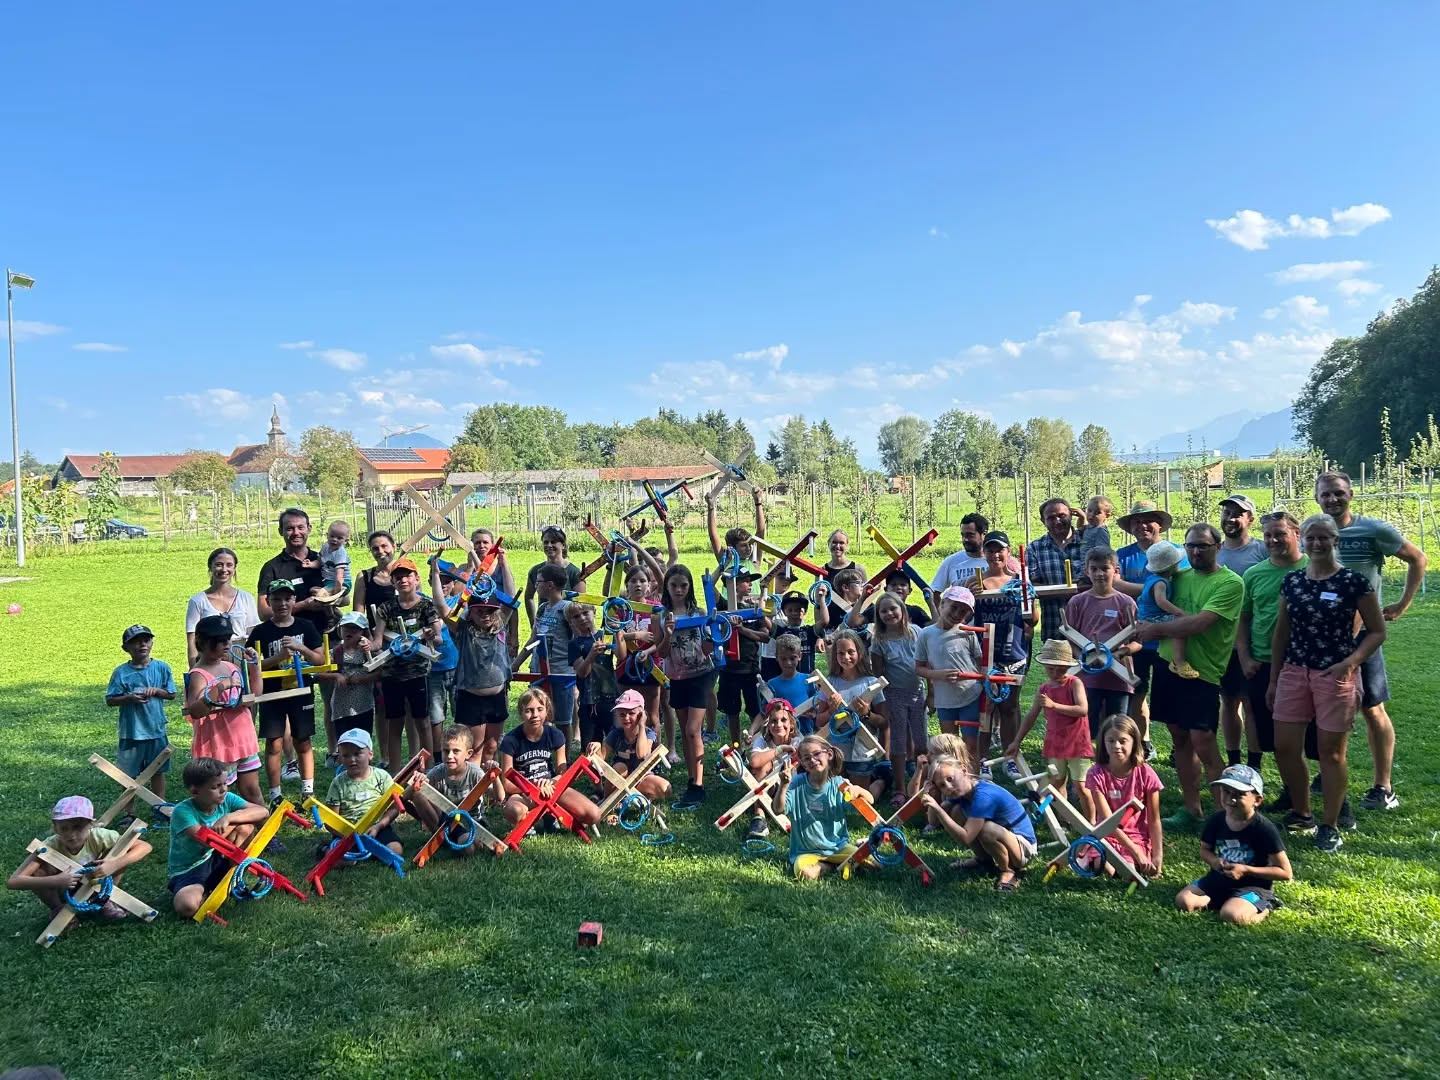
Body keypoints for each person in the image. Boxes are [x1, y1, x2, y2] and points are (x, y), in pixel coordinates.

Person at [1267, 514, 1386, 853]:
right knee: (1285, 747)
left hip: (1335, 675)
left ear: (1335, 541)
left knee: (1330, 753)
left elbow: (1377, 631)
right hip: (1294, 671)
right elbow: (1281, 633)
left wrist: (1350, 663)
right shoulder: (1292, 582)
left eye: (1324, 538)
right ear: (1302, 540)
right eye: (1311, 538)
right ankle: (1302, 813)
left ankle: (1330, 824)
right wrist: (1275, 678)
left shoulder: (1353, 582)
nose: (1317, 544)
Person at [1316, 470, 1427, 811]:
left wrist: (1401, 605)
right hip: (1322, 635)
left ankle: (1383, 787)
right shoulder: (1316, 532)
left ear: (1351, 494)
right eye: (1326, 495)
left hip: (1363, 635)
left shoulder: (1373, 529)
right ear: (1317, 499)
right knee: (1328, 709)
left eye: (1338, 493)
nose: (1333, 500)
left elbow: (1417, 558)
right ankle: (1330, 772)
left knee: (1372, 708)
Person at [1133, 523, 1244, 830]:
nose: (1196, 551)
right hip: (1169, 666)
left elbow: (1199, 624)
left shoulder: (1230, 583)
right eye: (1191, 545)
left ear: (1218, 547)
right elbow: (1148, 592)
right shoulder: (1177, 577)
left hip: (1202, 671)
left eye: (1203, 546)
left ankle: (1224, 813)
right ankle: (1191, 807)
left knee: (1203, 741)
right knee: (1179, 737)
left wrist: (1155, 630)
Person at [1235, 512, 1306, 780]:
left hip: (1302, 662)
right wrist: (1245, 656)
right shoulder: (1254, 574)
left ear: (1296, 534)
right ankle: (1287, 788)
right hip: (1262, 660)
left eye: (1280, 534)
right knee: (1271, 732)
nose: (1273, 540)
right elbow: (1243, 618)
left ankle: (1318, 787)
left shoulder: (1311, 569)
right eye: (1268, 535)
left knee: (1306, 733)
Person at [1175, 765, 1291, 925]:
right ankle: (1219, 900)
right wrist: (1215, 861)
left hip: (1252, 886)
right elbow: (1205, 850)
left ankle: (1266, 907)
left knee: (1231, 916)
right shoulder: (1216, 820)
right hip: (1217, 879)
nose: (1231, 799)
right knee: (1184, 901)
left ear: (1257, 800)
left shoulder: (1264, 829)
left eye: (1239, 794)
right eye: (1226, 792)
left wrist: (1246, 870)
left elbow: (1285, 872)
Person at [7, 795, 153, 922]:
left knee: (119, 851)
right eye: (64, 828)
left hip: (96, 879)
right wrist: (56, 880)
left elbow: (145, 847)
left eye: (78, 827)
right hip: (63, 888)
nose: (71, 835)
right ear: (55, 827)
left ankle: (105, 899)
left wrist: (114, 865)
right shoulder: (48, 846)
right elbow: (14, 881)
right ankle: (58, 909)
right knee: (37, 870)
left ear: (90, 824)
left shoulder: (99, 836)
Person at [1113, 500, 1183, 761]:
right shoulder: (1122, 554)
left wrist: (1141, 590)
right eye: (1136, 521)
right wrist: (1153, 589)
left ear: (1160, 525)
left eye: (1148, 520)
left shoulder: (1177, 552)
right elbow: (1114, 583)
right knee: (1136, 692)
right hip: (1136, 635)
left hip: (1169, 635)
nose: (1142, 525)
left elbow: (1184, 586)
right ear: (1130, 526)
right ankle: (1141, 745)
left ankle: (1180, 746)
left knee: (1175, 694)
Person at [247, 579, 323, 806]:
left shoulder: (305, 626)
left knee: (303, 740)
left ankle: (307, 790)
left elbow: (320, 658)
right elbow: (253, 665)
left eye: (287, 598)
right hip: (272, 695)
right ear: (268, 601)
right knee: (274, 743)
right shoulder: (261, 631)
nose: (282, 603)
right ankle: (275, 795)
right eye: (276, 599)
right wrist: (278, 658)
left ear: (294, 600)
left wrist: (301, 648)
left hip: (300, 692)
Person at [166, 758, 269, 918]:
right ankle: (211, 891)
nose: (223, 790)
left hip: (219, 858)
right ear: (195, 791)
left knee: (246, 827)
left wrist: (228, 817)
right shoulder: (182, 812)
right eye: (215, 787)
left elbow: (262, 812)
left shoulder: (226, 799)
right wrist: (233, 822)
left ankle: (232, 877)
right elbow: (206, 840)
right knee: (187, 906)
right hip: (190, 868)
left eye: (225, 784)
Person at [921, 754, 1037, 892]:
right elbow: (932, 821)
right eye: (941, 785)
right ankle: (984, 860)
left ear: (963, 771)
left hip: (1024, 848)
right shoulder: (964, 792)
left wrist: (938, 809)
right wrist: (932, 795)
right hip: (1009, 840)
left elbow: (965, 838)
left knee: (987, 829)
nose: (948, 787)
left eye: (950, 779)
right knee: (957, 811)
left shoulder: (983, 796)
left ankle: (1009, 870)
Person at [652, 565, 717, 808]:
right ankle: (692, 779)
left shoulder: (699, 612)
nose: (679, 590)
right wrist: (668, 634)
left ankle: (698, 786)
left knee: (692, 730)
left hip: (701, 674)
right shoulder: (660, 616)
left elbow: (709, 647)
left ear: (689, 587)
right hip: (676, 677)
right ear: (667, 587)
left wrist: (717, 630)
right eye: (674, 585)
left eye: (683, 585)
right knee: (685, 731)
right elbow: (661, 651)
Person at [1008, 639, 1095, 821]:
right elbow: (1031, 716)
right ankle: (1065, 820)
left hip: (1077, 742)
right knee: (1056, 782)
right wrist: (1017, 741)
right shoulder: (1044, 689)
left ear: (1067, 667)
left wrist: (1054, 705)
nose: (1056, 673)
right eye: (1051, 668)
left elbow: (1083, 709)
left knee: (1081, 786)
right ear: (1045, 666)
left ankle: (1092, 823)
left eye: (1060, 669)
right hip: (1055, 743)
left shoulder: (1074, 683)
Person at [370, 557, 445, 766]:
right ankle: (395, 773)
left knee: (422, 722)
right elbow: (378, 641)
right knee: (395, 724)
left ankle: (427, 768)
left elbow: (438, 639)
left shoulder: (426, 607)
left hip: (419, 673)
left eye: (407, 576)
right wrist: (368, 646)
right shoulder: (386, 608)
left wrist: (431, 635)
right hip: (392, 674)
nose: (403, 580)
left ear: (416, 579)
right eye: (398, 577)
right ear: (393, 582)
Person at [185, 615, 264, 806]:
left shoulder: (231, 666)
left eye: (228, 639)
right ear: (202, 643)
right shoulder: (198, 675)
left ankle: (266, 832)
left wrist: (255, 667)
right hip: (218, 744)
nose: (226, 644)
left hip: (242, 739)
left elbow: (253, 696)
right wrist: (221, 687)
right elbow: (195, 711)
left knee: (252, 790)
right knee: (220, 797)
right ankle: (230, 832)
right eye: (219, 640)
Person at [972, 531, 1034, 771]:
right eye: (990, 550)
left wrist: (1028, 597)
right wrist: (971, 595)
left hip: (1013, 653)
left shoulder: (1020, 582)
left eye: (1000, 550)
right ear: (984, 553)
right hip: (984, 654)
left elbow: (1033, 620)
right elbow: (963, 613)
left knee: (1009, 707)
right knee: (985, 708)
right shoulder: (976, 582)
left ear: (1008, 553)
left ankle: (1010, 757)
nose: (995, 554)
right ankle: (983, 759)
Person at [498, 688, 600, 832]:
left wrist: (550, 783)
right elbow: (507, 784)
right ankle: (532, 820)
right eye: (529, 710)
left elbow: (562, 772)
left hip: (552, 789)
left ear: (547, 711)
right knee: (514, 811)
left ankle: (550, 814)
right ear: (521, 713)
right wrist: (535, 786)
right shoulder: (510, 740)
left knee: (594, 815)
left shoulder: (555, 735)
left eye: (540, 709)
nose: (535, 715)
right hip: (524, 793)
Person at [1215, 494, 1268, 769]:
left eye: (1238, 513)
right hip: (1222, 643)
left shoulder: (1261, 551)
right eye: (1227, 513)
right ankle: (1234, 760)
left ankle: (1254, 763)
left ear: (1250, 519)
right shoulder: (1217, 551)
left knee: (1251, 704)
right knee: (1228, 701)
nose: (1230, 518)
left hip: (1252, 641)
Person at [1063, 547, 1138, 736]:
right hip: (1087, 677)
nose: (1099, 574)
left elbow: (1137, 641)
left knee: (1119, 729)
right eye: (1094, 569)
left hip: (1119, 678)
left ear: (1115, 570)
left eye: (1105, 568)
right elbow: (1070, 638)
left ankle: (1114, 764)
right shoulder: (1077, 602)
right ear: (1087, 571)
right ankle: (1090, 764)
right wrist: (1084, 658)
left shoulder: (1126, 602)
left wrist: (1119, 653)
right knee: (1087, 728)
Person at [1085, 713, 1164, 877]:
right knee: (1104, 864)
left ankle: (1126, 865)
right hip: (1107, 835)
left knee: (1127, 867)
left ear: (1134, 741)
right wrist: (1136, 852)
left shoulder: (1146, 773)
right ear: (1103, 743)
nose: (1116, 746)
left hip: (1136, 836)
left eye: (1123, 740)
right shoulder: (1096, 774)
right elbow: (1108, 823)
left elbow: (1154, 819)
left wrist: (1157, 857)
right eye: (1111, 741)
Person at [105, 624, 177, 803]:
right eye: (136, 642)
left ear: (152, 642)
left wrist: (157, 691)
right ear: (126, 648)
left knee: (157, 770)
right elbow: (110, 699)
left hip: (156, 730)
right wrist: (129, 698)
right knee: (127, 776)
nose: (142, 645)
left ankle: (160, 806)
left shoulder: (162, 668)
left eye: (146, 640)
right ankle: (128, 811)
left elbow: (171, 694)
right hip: (131, 732)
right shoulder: (121, 672)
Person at [779, 734, 867, 880]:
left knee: (873, 863)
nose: (812, 760)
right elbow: (778, 809)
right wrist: (783, 786)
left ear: (829, 754)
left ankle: (843, 859)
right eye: (807, 758)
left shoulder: (839, 784)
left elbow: (869, 801)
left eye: (816, 754)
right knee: (805, 873)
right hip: (805, 852)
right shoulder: (797, 783)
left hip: (837, 848)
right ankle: (830, 866)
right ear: (802, 763)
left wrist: (858, 790)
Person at [817, 629, 889, 800]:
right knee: (834, 797)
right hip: (835, 749)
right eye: (840, 653)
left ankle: (880, 783)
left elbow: (884, 722)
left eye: (850, 652)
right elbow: (819, 721)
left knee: (859, 802)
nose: (846, 657)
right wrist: (830, 711)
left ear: (860, 652)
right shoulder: (830, 683)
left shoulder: (871, 683)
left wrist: (866, 714)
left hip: (861, 748)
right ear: (835, 656)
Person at [914, 586, 983, 759]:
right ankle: (954, 780)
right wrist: (938, 675)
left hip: (971, 696)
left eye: (964, 611)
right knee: (950, 746)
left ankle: (971, 779)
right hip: (945, 700)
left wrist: (986, 687)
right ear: (942, 603)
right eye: (954, 607)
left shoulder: (968, 633)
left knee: (971, 746)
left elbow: (980, 662)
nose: (958, 613)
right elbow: (918, 667)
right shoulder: (926, 634)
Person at [869, 593, 926, 806]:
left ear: (902, 609)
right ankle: (900, 788)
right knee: (899, 743)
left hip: (918, 694)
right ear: (878, 616)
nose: (889, 614)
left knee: (921, 741)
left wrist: (931, 695)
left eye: (893, 608)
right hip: (894, 696)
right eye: (883, 611)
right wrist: (882, 703)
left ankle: (921, 783)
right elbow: (878, 675)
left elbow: (927, 665)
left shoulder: (917, 633)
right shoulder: (879, 641)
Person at [445, 594, 511, 764]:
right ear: (470, 613)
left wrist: (503, 565)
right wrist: (436, 571)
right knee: (474, 751)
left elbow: (510, 598)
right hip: (471, 699)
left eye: (489, 611)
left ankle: (489, 787)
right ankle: (475, 789)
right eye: (479, 611)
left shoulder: (499, 626)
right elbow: (443, 608)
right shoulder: (463, 630)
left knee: (492, 747)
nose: (485, 615)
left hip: (496, 698)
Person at [407, 725, 491, 853]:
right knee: (419, 794)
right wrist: (419, 781)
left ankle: (447, 840)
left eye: (456, 751)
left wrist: (493, 778)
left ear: (468, 754)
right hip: (447, 821)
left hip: (473, 823)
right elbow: (405, 796)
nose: (450, 756)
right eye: (446, 751)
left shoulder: (475, 772)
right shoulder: (437, 772)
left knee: (468, 849)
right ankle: (440, 838)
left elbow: (500, 796)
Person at [714, 565, 770, 745]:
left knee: (756, 710)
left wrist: (742, 629)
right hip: (729, 669)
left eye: (749, 581)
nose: (748, 584)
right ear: (732, 584)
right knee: (732, 712)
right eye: (744, 581)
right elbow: (710, 588)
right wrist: (722, 566)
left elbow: (765, 636)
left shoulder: (753, 609)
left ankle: (756, 743)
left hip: (750, 668)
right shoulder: (724, 605)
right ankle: (735, 746)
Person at [325, 728, 404, 856]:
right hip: (347, 833)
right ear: (340, 757)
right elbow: (331, 820)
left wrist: (379, 826)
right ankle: (325, 849)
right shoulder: (337, 783)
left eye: (357, 754)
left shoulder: (382, 777)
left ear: (370, 754)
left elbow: (394, 808)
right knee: (341, 859)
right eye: (346, 755)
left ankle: (369, 851)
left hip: (377, 828)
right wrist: (348, 835)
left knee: (395, 850)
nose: (352, 759)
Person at [314, 611, 382, 757]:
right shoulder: (335, 652)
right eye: (346, 628)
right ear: (340, 630)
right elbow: (317, 674)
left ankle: (364, 766)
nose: (350, 631)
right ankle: (343, 767)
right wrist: (336, 675)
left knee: (363, 741)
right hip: (341, 708)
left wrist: (362, 679)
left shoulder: (367, 652)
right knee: (344, 742)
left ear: (363, 632)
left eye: (355, 629)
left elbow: (381, 672)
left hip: (364, 706)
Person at [591, 689, 672, 808]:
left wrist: (641, 725)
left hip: (641, 777)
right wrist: (597, 747)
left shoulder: (648, 734)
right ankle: (609, 800)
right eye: (622, 714)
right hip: (619, 778)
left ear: (641, 714)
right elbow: (601, 758)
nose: (626, 718)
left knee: (666, 789)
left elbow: (642, 754)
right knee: (620, 767)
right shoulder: (616, 734)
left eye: (631, 713)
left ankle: (627, 797)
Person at [256, 507, 333, 630]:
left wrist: (328, 597)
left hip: (327, 636)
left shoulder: (324, 560)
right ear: (280, 531)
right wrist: (302, 605)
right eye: (290, 528)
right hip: (289, 639)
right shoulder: (271, 568)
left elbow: (345, 599)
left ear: (309, 529)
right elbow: (264, 614)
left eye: (300, 527)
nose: (296, 532)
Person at [527, 564, 578, 745]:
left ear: (549, 585)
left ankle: (564, 758)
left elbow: (578, 638)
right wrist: (516, 663)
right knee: (540, 717)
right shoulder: (542, 608)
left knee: (563, 721)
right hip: (539, 672)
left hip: (561, 672)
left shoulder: (566, 609)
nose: (536, 585)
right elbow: (533, 639)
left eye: (538, 582)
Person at [184, 547, 261, 666]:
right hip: (209, 657)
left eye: (229, 565)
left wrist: (253, 662)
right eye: (219, 565)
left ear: (234, 568)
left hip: (240, 656)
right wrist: (193, 667)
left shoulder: (246, 598)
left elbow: (253, 633)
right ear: (210, 567)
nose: (224, 569)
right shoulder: (197, 601)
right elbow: (192, 638)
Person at [1026, 498, 1088, 641]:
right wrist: (1069, 591)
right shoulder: (1035, 548)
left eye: (1062, 515)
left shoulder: (1087, 542)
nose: (1057, 521)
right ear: (1043, 521)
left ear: (1071, 515)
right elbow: (1032, 587)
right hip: (1054, 625)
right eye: (1051, 518)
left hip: (1088, 625)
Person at [1139, 542, 1198, 679]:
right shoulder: (1160, 583)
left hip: (1147, 615)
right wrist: (1178, 612)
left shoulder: (1153, 578)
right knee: (1179, 626)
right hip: (1153, 617)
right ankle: (1179, 661)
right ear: (1171, 566)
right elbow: (1161, 601)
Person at [568, 602, 621, 749]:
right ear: (571, 621)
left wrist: (617, 631)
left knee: (615, 742)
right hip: (587, 702)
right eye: (576, 616)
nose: (582, 618)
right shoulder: (574, 644)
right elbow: (582, 672)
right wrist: (591, 655)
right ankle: (592, 771)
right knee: (589, 746)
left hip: (610, 699)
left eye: (585, 613)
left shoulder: (605, 635)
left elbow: (621, 655)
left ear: (594, 612)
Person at [744, 699, 798, 838]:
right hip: (768, 788)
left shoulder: (798, 741)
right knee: (763, 765)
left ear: (791, 723)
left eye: (783, 720)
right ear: (767, 724)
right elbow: (754, 762)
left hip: (791, 790)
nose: (778, 724)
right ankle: (759, 816)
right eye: (773, 721)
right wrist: (781, 749)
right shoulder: (762, 741)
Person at [523, 525, 581, 629]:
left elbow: (581, 603)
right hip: (544, 626)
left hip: (568, 628)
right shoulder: (535, 571)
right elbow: (528, 597)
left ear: (563, 545)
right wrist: (533, 623)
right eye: (546, 542)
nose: (549, 545)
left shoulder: (574, 572)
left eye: (553, 542)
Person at [762, 590, 825, 679]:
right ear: (784, 612)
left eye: (798, 609)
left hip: (807, 679)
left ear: (805, 611)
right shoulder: (781, 632)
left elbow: (824, 621)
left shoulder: (809, 631)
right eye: (790, 610)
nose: (794, 613)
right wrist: (763, 593)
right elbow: (763, 618)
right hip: (787, 679)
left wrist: (822, 599)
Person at [930, 513, 992, 591]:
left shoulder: (995, 561)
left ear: (984, 534)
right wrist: (943, 604)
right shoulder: (951, 562)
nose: (965, 539)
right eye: (963, 535)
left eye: (970, 535)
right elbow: (935, 591)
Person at [764, 634, 816, 724]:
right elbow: (764, 713)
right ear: (776, 657)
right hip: (782, 734)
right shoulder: (772, 684)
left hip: (806, 733)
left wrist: (814, 713)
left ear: (800, 656)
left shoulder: (809, 680)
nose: (788, 663)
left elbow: (818, 705)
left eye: (792, 658)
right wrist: (752, 731)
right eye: (783, 659)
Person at [351, 530, 399, 613]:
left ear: (394, 547)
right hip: (375, 626)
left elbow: (417, 604)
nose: (380, 551)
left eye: (384, 546)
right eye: (375, 548)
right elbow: (358, 614)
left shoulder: (407, 573)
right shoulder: (364, 577)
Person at [316, 519, 352, 602]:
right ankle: (332, 613)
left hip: (342, 582)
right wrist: (310, 564)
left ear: (345, 541)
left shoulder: (340, 553)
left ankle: (341, 599)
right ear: (327, 535)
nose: (334, 539)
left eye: (339, 538)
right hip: (328, 581)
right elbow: (319, 562)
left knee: (320, 596)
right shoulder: (325, 547)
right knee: (313, 591)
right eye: (332, 536)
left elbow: (339, 576)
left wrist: (336, 593)